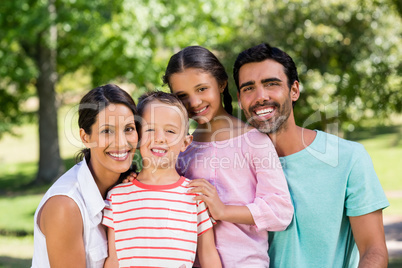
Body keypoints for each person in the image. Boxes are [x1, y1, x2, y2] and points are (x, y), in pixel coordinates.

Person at [233, 43, 390, 267]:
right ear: (240, 99)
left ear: (294, 90)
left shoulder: (348, 158)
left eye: (271, 84)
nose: (260, 96)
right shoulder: (229, 165)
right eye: (249, 88)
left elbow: (373, 250)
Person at [163, 45, 293, 267]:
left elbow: (279, 211)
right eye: (182, 96)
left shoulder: (255, 142)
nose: (194, 102)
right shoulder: (182, 148)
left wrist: (222, 210)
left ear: (221, 84)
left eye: (202, 89)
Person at [102, 91, 222, 268]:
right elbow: (113, 259)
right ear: (137, 136)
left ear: (185, 143)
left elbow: (208, 255)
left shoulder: (195, 197)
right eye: (150, 129)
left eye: (170, 131)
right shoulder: (116, 197)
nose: (159, 138)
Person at [31, 84, 139, 267]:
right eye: (107, 131)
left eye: (128, 129)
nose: (121, 143)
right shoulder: (65, 205)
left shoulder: (129, 189)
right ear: (85, 137)